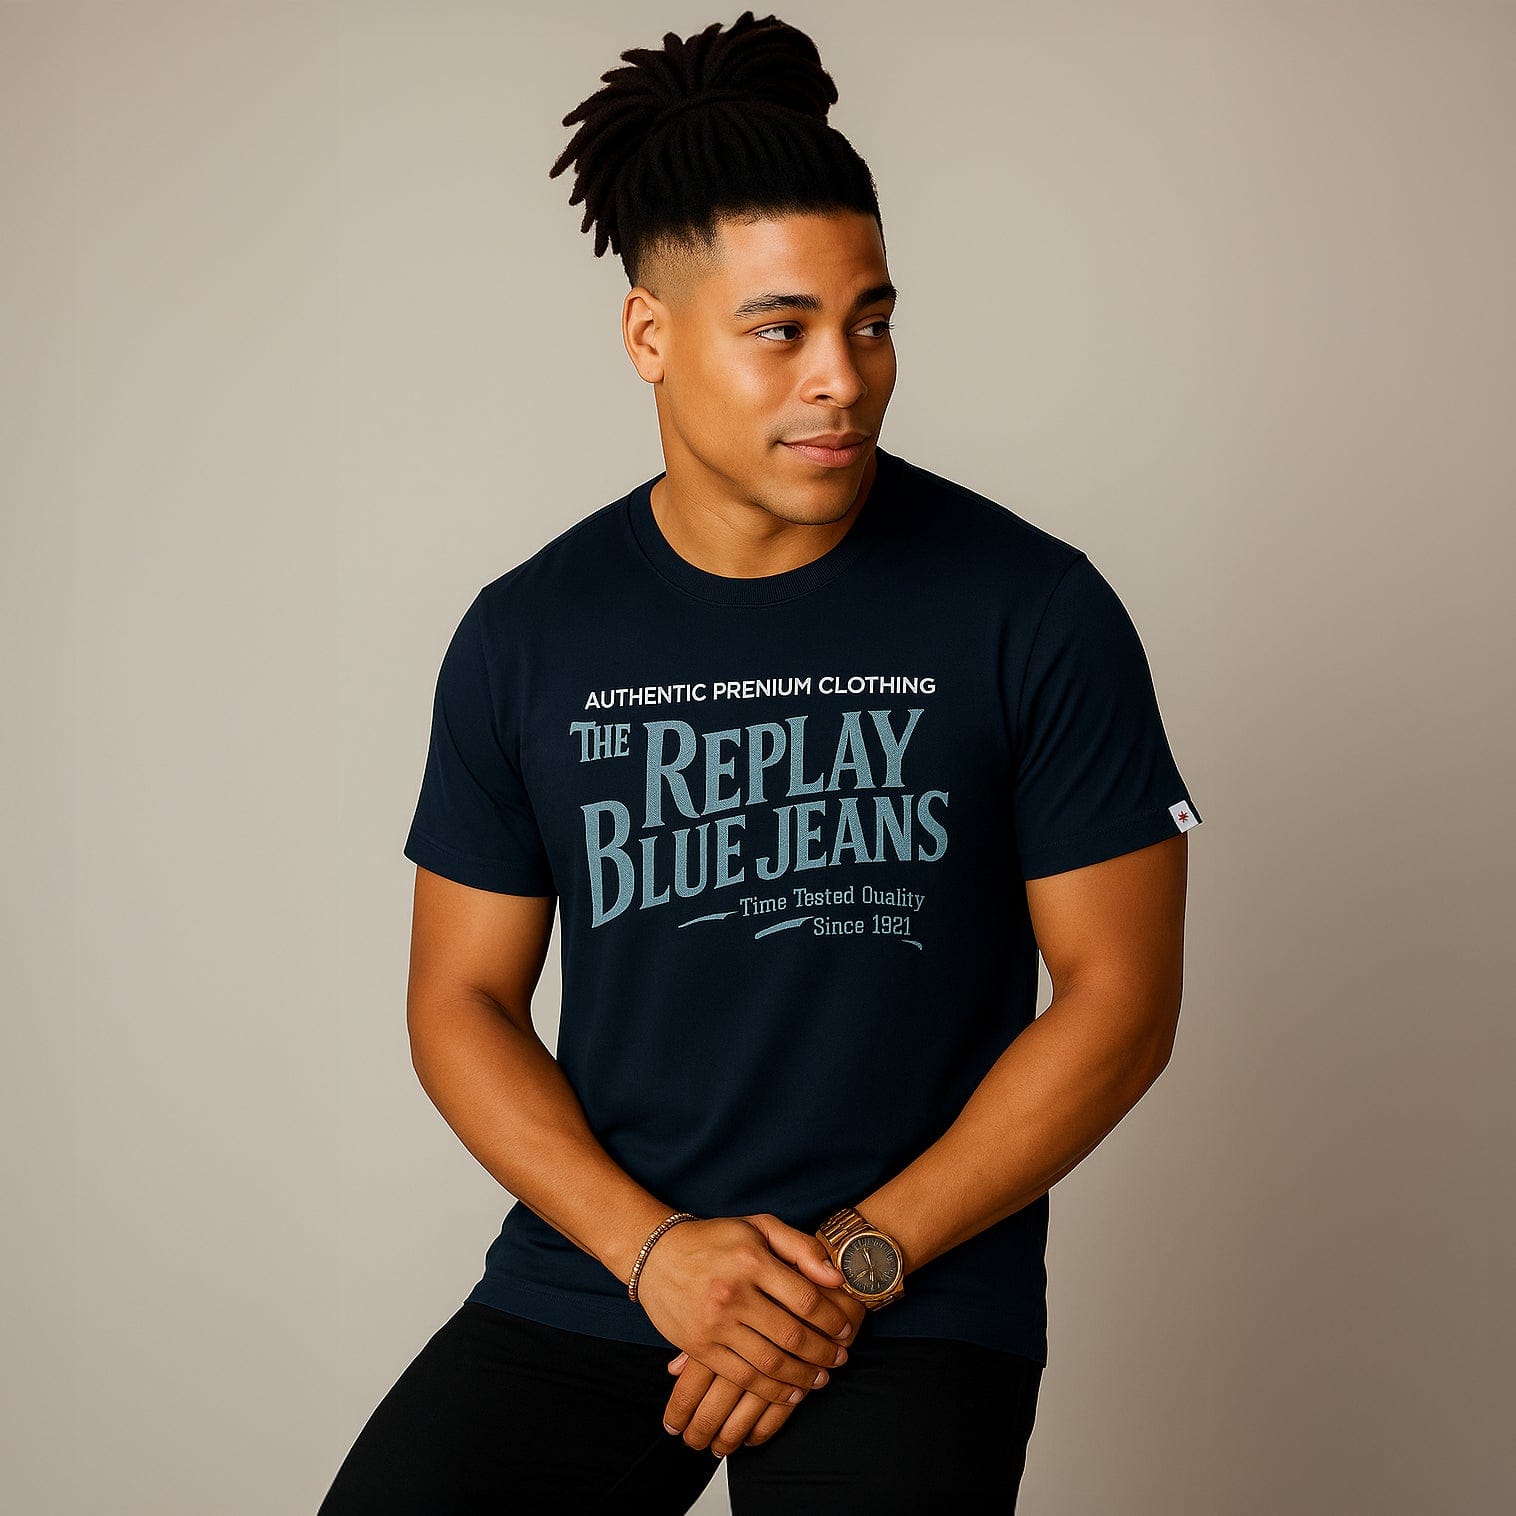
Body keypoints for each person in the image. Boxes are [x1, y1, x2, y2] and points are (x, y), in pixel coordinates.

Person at [318, 10, 1203, 1513]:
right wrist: (656, 1254)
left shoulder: (1033, 609)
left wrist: (853, 1266)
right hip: (613, 1269)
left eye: (872, 321)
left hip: (913, 1285)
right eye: (780, 329)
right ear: (650, 337)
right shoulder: (528, 634)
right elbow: (458, 1001)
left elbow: (1119, 1002)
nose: (843, 377)